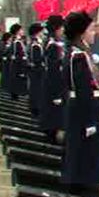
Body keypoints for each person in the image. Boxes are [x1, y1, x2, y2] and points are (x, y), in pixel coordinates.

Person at [61, 11, 99, 192]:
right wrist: (89, 121)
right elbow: (82, 90)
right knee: (83, 148)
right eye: (90, 30)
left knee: (91, 148)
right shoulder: (78, 56)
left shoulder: (83, 53)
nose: (94, 34)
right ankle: (83, 182)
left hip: (88, 106)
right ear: (81, 33)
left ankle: (91, 178)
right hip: (83, 110)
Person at [39, 16, 66, 144]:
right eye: (61, 28)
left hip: (56, 85)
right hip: (53, 88)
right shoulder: (52, 46)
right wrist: (56, 94)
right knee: (53, 119)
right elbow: (53, 70)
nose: (63, 30)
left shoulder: (56, 44)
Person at [27, 23, 46, 118]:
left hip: (37, 71)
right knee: (36, 90)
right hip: (36, 72)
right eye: (41, 31)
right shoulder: (35, 45)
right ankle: (35, 109)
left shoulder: (37, 43)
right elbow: (37, 60)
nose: (43, 33)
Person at [8, 24, 28, 100]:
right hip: (17, 66)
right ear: (17, 31)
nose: (22, 31)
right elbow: (17, 55)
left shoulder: (18, 41)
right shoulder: (16, 42)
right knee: (16, 83)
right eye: (21, 30)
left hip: (19, 64)